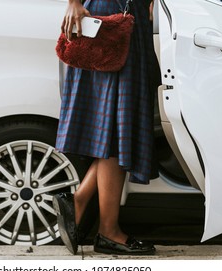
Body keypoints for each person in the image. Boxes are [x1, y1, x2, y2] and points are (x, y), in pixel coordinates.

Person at [53, 0, 160, 255]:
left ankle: (80, 203)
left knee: (118, 127)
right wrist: (73, 3)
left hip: (128, 19)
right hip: (109, 18)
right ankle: (108, 231)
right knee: (116, 128)